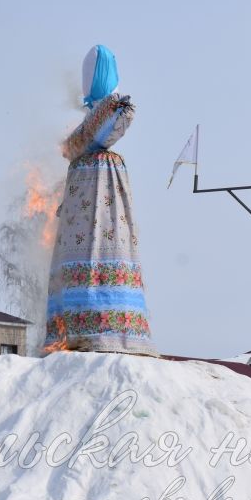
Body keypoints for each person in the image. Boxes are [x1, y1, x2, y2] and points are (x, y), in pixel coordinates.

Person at [41, 44, 157, 356]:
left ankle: (107, 326)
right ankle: (77, 327)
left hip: (99, 189)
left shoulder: (116, 110)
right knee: (78, 251)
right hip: (84, 192)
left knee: (103, 244)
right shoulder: (93, 125)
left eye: (89, 76)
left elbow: (111, 122)